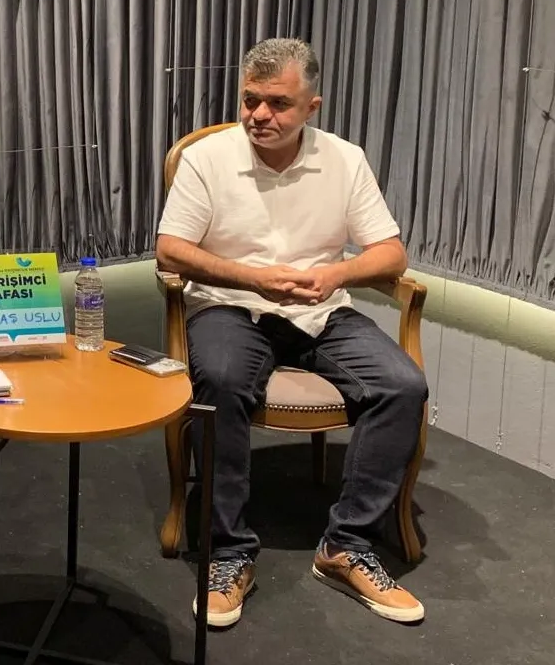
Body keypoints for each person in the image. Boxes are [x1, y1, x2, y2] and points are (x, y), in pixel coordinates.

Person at [155, 38, 428, 628]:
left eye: (277, 103)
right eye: (249, 100)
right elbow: (171, 249)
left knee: (403, 385)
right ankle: (228, 553)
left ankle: (346, 546)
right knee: (222, 379)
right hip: (229, 306)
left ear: (312, 107)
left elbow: (391, 253)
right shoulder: (208, 158)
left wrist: (335, 275)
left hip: (320, 311)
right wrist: (253, 277)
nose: (258, 115)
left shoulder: (345, 159)